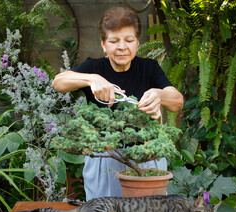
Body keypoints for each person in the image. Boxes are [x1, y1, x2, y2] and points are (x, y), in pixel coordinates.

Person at [52, 6, 183, 201]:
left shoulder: (149, 68)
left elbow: (177, 101)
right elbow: (58, 82)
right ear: (104, 44)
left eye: (129, 40)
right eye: (114, 41)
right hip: (104, 158)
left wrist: (159, 94)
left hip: (145, 157)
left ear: (138, 43)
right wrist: (91, 79)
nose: (122, 47)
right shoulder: (94, 67)